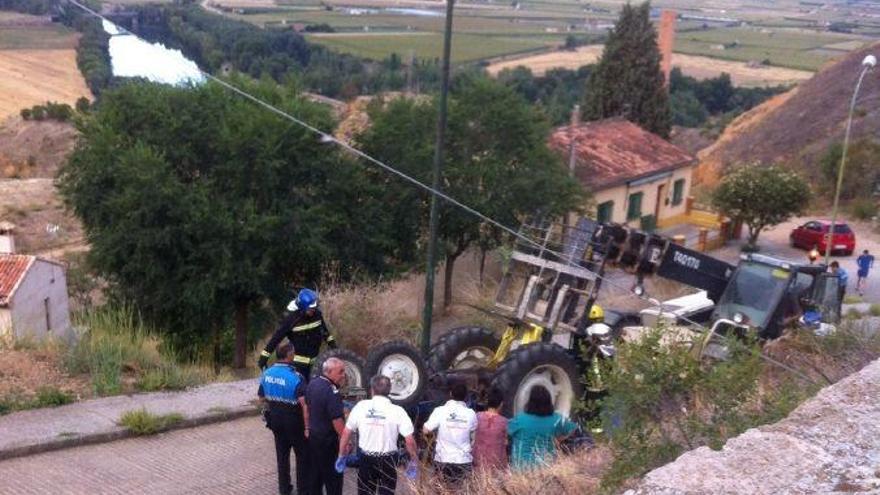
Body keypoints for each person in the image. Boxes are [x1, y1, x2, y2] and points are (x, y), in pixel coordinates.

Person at [338, 375, 418, 495]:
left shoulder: (361, 407)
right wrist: (414, 460)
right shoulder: (398, 411)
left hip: (366, 459)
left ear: (372, 389)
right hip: (389, 460)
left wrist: (341, 455)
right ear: (389, 390)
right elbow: (410, 440)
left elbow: (346, 433)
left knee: (365, 492)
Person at [258, 343, 311, 495]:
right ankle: (304, 490)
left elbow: (261, 397)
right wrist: (307, 427)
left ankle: (284, 489)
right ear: (288, 355)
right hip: (294, 421)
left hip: (275, 420)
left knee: (282, 456)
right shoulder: (296, 376)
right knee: (302, 456)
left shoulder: (267, 374)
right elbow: (305, 405)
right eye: (293, 352)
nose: (294, 355)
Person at [259, 288, 337, 378]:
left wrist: (334, 347)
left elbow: (325, 333)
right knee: (300, 389)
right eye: (310, 308)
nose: (313, 310)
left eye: (314, 308)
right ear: (302, 307)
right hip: (298, 365)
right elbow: (275, 339)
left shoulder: (317, 315)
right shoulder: (291, 320)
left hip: (315, 363)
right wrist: (263, 358)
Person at [507, 386, 576, 471]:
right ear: (549, 401)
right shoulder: (557, 419)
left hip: (520, 469)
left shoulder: (520, 419)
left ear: (530, 401)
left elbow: (506, 432)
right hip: (546, 467)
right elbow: (573, 429)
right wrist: (558, 440)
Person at [422, 382, 477, 485]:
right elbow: (473, 438)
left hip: (443, 459)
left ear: (450, 394)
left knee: (443, 490)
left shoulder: (440, 411)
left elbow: (426, 430)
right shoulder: (471, 414)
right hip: (463, 460)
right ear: (465, 397)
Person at [306, 357, 347, 495]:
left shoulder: (313, 383)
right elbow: (337, 420)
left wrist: (307, 427)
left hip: (314, 437)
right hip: (328, 442)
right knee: (333, 479)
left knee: (315, 476)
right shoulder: (331, 391)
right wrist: (345, 441)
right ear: (329, 372)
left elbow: (306, 406)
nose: (343, 375)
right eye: (340, 372)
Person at [472, 386, 508, 471]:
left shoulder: (477, 417)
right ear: (501, 404)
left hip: (478, 464)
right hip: (496, 466)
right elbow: (506, 442)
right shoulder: (505, 422)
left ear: (487, 402)